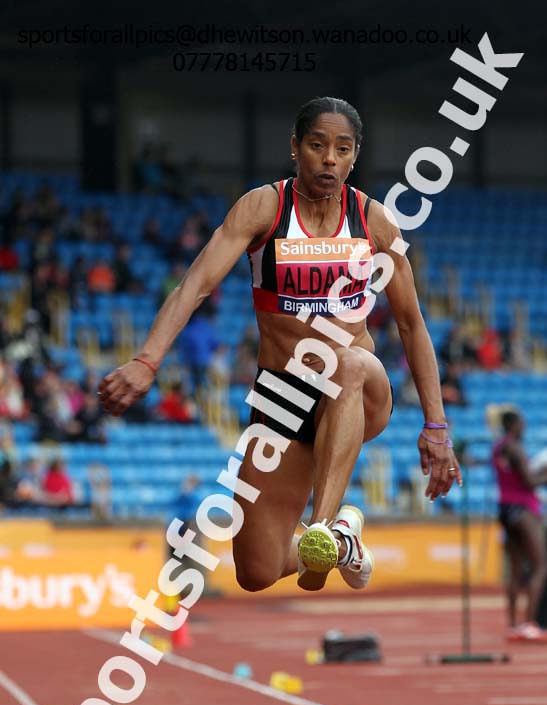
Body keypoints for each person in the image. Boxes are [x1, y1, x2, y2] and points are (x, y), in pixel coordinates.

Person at [99, 96, 462, 594]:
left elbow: (412, 325)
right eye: (317, 145)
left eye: (342, 148)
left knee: (349, 361)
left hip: (358, 389)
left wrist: (436, 426)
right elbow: (194, 286)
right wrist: (147, 360)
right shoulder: (264, 208)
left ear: (355, 156)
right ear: (295, 148)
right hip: (282, 398)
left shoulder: (374, 222)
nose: (329, 159)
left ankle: (325, 528)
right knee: (256, 570)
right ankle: (342, 542)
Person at [492, 411, 547, 640]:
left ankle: (513, 624)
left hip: (505, 509)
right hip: (523, 510)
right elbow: (529, 481)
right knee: (540, 566)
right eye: (522, 423)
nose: (524, 427)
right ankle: (531, 622)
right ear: (513, 425)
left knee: (515, 570)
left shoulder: (498, 447)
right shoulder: (515, 447)